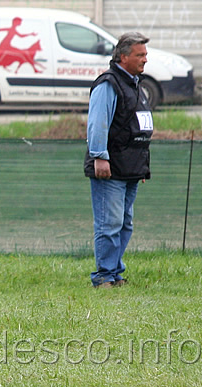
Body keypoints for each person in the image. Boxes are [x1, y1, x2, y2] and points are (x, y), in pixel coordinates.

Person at [84, 32, 152, 288]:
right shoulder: (108, 84)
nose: (145, 59)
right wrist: (100, 157)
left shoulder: (136, 84)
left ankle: (114, 273)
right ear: (123, 56)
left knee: (124, 223)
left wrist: (141, 167)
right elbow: (97, 124)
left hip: (130, 167)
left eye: (145, 54)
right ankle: (103, 275)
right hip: (109, 168)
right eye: (140, 54)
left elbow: (138, 128)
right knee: (109, 223)